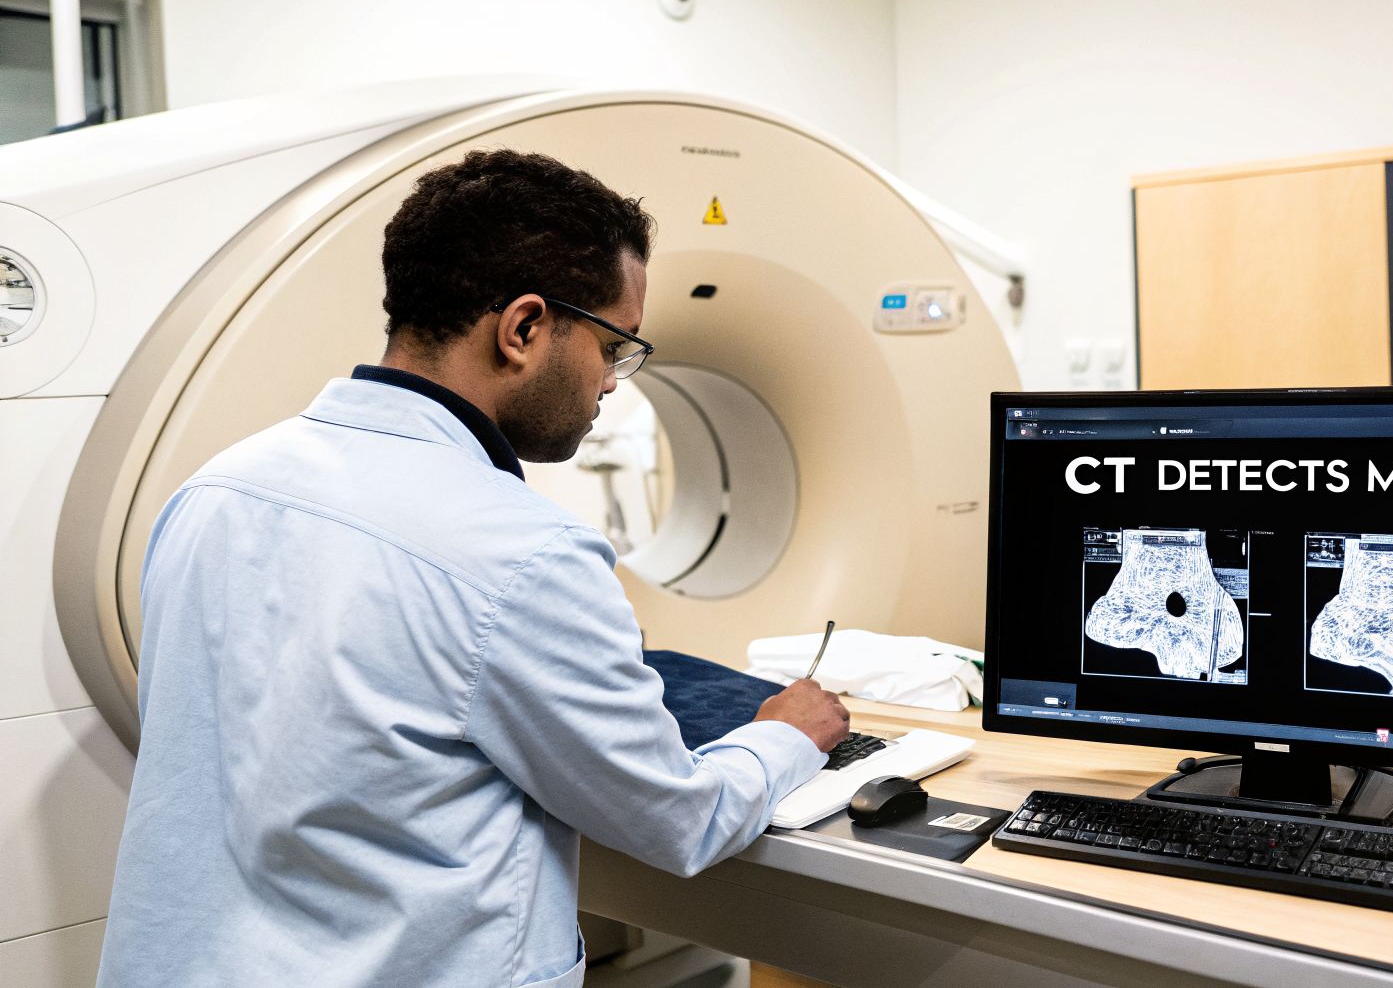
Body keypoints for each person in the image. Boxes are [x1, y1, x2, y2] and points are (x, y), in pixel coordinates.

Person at [96, 149, 850, 988]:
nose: (610, 381)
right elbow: (679, 820)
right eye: (613, 345)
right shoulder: (522, 551)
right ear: (524, 329)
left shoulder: (217, 487)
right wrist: (788, 732)